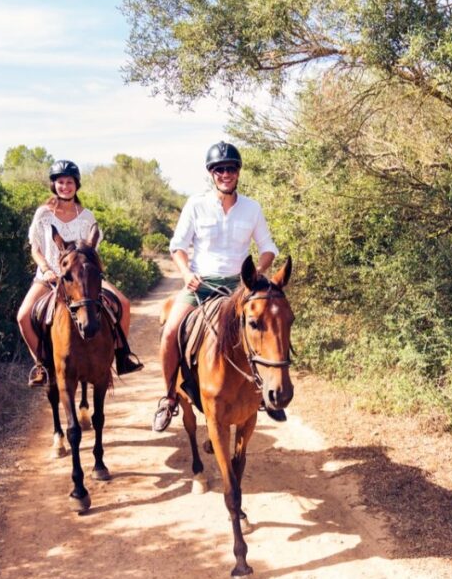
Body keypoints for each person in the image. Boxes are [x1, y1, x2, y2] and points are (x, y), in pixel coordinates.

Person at [152, 141, 280, 432]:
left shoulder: (252, 208)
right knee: (170, 331)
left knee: (268, 329)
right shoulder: (196, 205)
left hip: (239, 289)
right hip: (201, 285)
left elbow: (268, 247)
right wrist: (186, 273)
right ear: (211, 173)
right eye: (220, 169)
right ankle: (169, 397)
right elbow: (178, 246)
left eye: (231, 168)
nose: (226, 173)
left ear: (238, 172)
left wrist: (257, 272)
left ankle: (264, 393)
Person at [15, 159, 143, 386]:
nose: (65, 186)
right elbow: (35, 248)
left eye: (69, 182)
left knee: (123, 303)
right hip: (49, 277)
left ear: (77, 185)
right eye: (60, 182)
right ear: (54, 185)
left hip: (82, 278)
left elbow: (92, 252)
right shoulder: (43, 214)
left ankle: (121, 355)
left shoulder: (87, 216)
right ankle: (42, 365)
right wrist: (45, 270)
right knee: (23, 316)